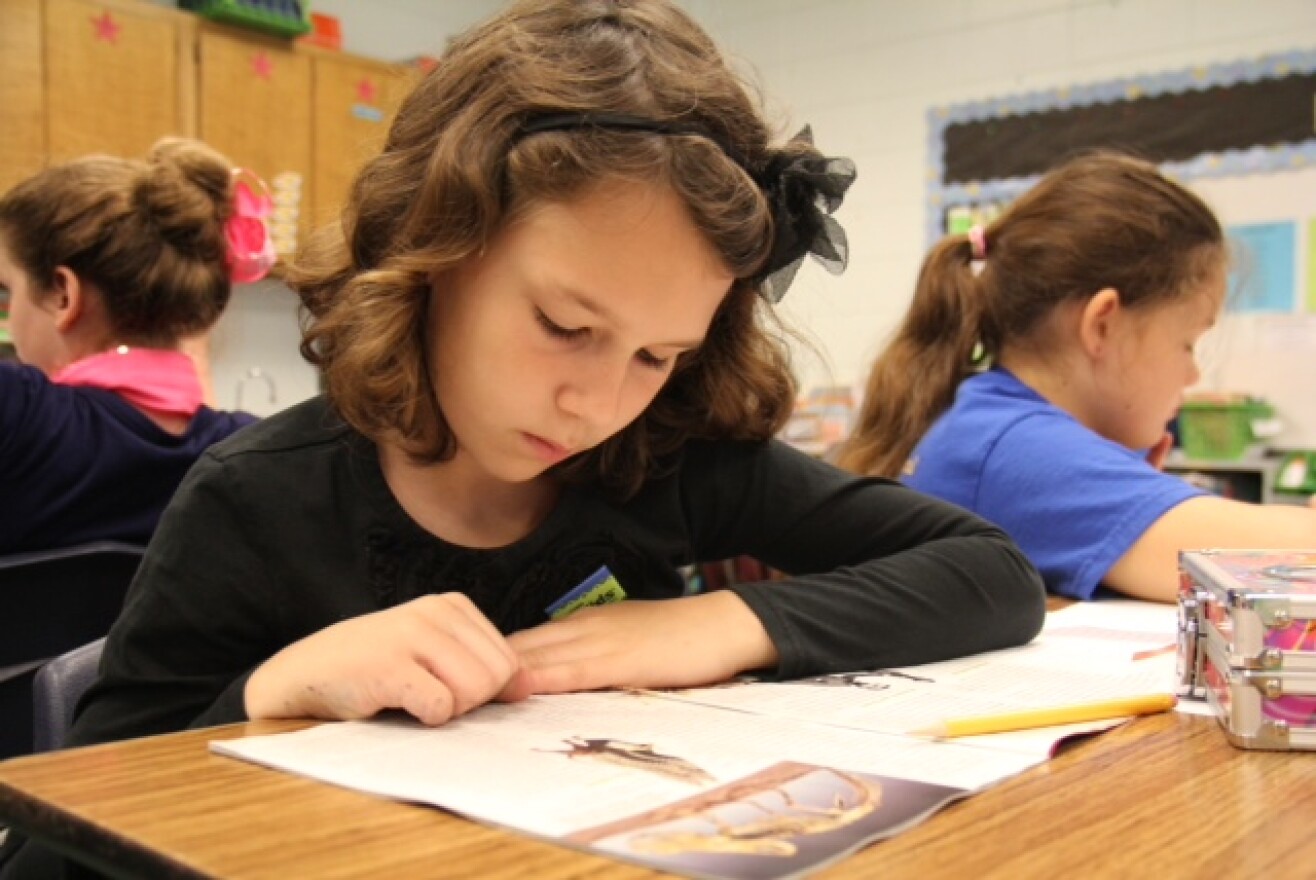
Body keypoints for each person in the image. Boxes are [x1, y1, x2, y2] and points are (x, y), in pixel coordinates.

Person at [0, 2, 1046, 871]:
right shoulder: (256, 499)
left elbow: (986, 571)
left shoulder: (664, 456)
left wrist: (711, 624)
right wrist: (276, 691)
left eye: (655, 355)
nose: (596, 403)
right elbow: (67, 838)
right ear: (433, 250)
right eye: (564, 327)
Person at [837, 151, 1316, 604]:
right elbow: (1287, 562)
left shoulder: (992, 419)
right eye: (1187, 343)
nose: (1192, 374)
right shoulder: (1017, 448)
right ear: (1102, 324)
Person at [0, 138, 261, 556]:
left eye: (8, 290)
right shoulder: (252, 451)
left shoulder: (17, 412)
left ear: (64, 295)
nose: (10, 317)